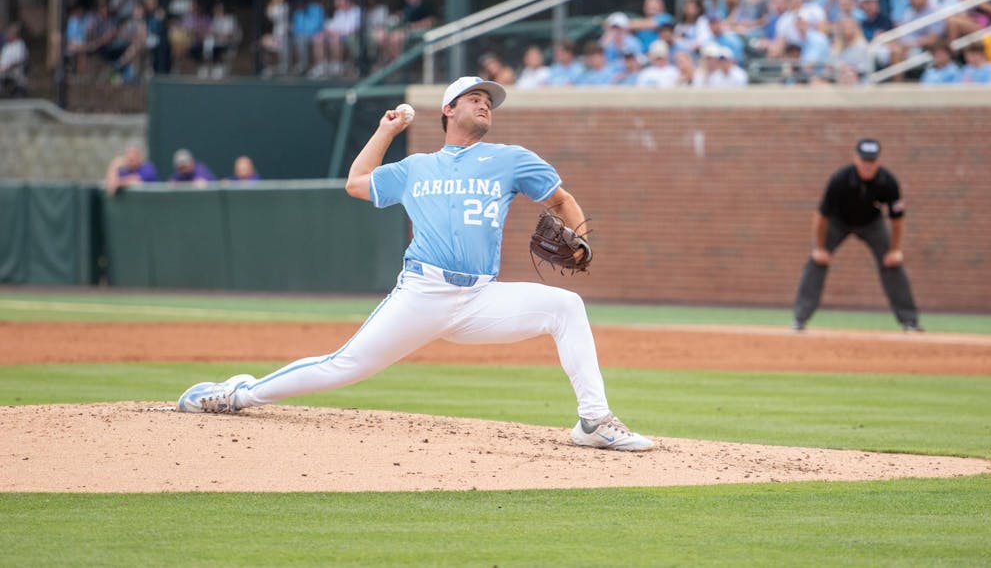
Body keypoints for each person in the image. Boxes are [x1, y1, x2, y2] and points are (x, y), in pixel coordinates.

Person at [177, 76, 654, 452]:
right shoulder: (416, 168)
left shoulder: (510, 159)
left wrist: (583, 241)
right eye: (473, 97)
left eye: (489, 99)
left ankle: (593, 421)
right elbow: (357, 182)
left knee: (566, 306)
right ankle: (237, 395)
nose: (485, 103)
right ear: (449, 110)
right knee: (342, 367)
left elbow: (561, 199)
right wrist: (386, 130)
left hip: (480, 297)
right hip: (422, 294)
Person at [792, 139, 922, 333]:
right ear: (855, 159)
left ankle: (910, 321)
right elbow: (821, 216)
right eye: (864, 160)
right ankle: (799, 320)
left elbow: (897, 219)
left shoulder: (888, 181)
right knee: (816, 262)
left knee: (892, 264)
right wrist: (819, 248)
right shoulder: (840, 179)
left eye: (872, 161)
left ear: (878, 162)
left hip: (872, 224)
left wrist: (895, 250)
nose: (867, 165)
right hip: (838, 222)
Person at [0, 23, 29, 97]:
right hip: (3, 69)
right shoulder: (7, 46)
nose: (8, 36)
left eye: (10, 34)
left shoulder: (20, 45)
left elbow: (19, 60)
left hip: (14, 69)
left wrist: (7, 67)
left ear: (15, 35)